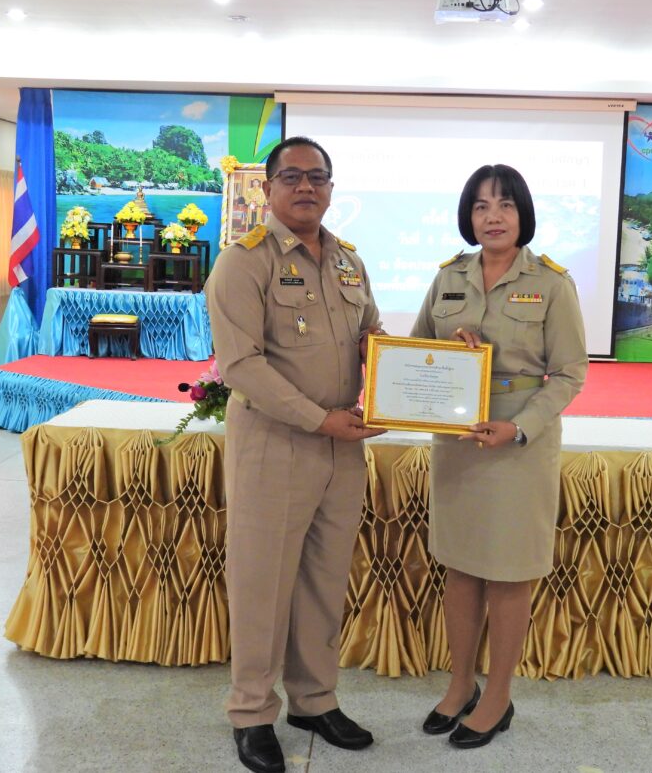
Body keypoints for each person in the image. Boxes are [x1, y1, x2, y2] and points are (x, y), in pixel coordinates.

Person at [205, 136, 385, 773]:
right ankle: (252, 712)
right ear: (268, 189)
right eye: (291, 177)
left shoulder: (349, 261)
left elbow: (371, 336)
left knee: (323, 580)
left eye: (317, 177)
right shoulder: (243, 262)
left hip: (342, 447)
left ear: (331, 189)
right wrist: (317, 419)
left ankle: (314, 700)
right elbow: (241, 365)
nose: (306, 187)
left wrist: (413, 369)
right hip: (275, 443)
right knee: (262, 583)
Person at [411, 164, 587, 749]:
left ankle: (498, 696)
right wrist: (447, 352)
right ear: (468, 216)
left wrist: (518, 427)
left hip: (518, 446)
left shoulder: (552, 283)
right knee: (460, 567)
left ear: (522, 214)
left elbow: (570, 374)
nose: (493, 216)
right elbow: (414, 351)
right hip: (458, 439)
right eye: (481, 205)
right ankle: (460, 684)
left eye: (505, 205)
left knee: (509, 573)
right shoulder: (448, 277)